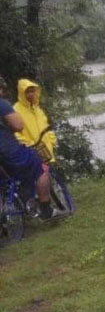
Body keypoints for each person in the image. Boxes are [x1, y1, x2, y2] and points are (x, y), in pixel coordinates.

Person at [0, 77, 54, 220]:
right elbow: (18, 126)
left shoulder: (36, 109)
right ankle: (46, 209)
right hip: (8, 150)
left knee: (6, 183)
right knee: (41, 168)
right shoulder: (3, 105)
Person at [13, 79, 57, 163]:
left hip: (46, 152)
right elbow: (15, 133)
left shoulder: (37, 109)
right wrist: (29, 145)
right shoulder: (16, 109)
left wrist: (52, 141)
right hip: (31, 153)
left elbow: (46, 127)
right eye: (27, 92)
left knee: (48, 174)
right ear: (22, 92)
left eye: (32, 91)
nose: (31, 94)